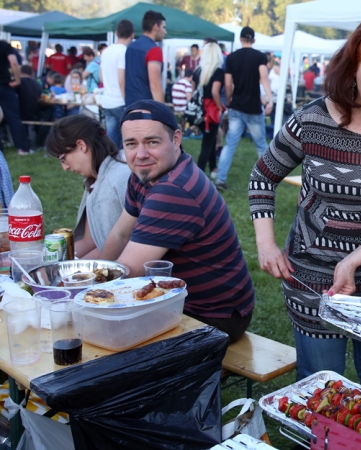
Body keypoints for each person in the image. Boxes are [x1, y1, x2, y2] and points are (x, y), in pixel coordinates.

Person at [249, 13, 361, 384]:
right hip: (312, 283)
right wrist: (265, 245)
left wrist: (353, 260)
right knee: (321, 382)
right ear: (351, 67)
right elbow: (262, 177)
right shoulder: (311, 120)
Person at [99, 100, 254, 341]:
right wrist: (94, 284)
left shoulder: (173, 189)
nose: (140, 154)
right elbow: (120, 233)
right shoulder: (146, 174)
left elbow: (130, 272)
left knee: (103, 342)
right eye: (131, 144)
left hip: (215, 317)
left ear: (176, 139)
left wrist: (89, 297)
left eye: (152, 142)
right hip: (184, 301)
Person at [45, 115, 131, 258]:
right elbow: (90, 242)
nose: (64, 167)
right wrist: (51, 262)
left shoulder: (118, 179)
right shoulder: (95, 178)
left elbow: (117, 248)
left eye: (63, 158)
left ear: (81, 146)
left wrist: (72, 274)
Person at [215, 26, 272, 191]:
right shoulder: (260, 56)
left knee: (230, 144)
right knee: (261, 144)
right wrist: (269, 98)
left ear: (240, 39)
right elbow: (264, 77)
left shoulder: (231, 58)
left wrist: (230, 99)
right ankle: (267, 179)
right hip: (253, 107)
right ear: (253, 40)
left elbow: (227, 83)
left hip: (236, 107)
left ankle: (220, 179)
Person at [101, 19, 135, 150]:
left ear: (116, 33)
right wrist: (127, 101)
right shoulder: (124, 51)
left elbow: (101, 77)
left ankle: (110, 168)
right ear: (132, 35)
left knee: (111, 143)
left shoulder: (106, 51)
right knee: (128, 142)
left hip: (107, 101)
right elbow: (122, 79)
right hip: (120, 101)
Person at [192, 42, 225, 176]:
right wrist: (220, 107)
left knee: (209, 140)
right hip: (211, 111)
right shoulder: (218, 72)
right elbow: (215, 92)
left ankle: (213, 168)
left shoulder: (197, 71)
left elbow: (193, 91)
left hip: (199, 110)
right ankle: (199, 174)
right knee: (207, 144)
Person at [125, 10, 167, 105]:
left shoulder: (130, 47)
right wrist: (163, 113)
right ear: (156, 27)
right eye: (163, 27)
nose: (165, 32)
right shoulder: (154, 50)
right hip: (147, 107)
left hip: (130, 105)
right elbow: (155, 86)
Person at [0, 40, 31, 155]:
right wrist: (17, 80)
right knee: (13, 118)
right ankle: (22, 147)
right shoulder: (4, 45)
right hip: (4, 85)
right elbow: (13, 62)